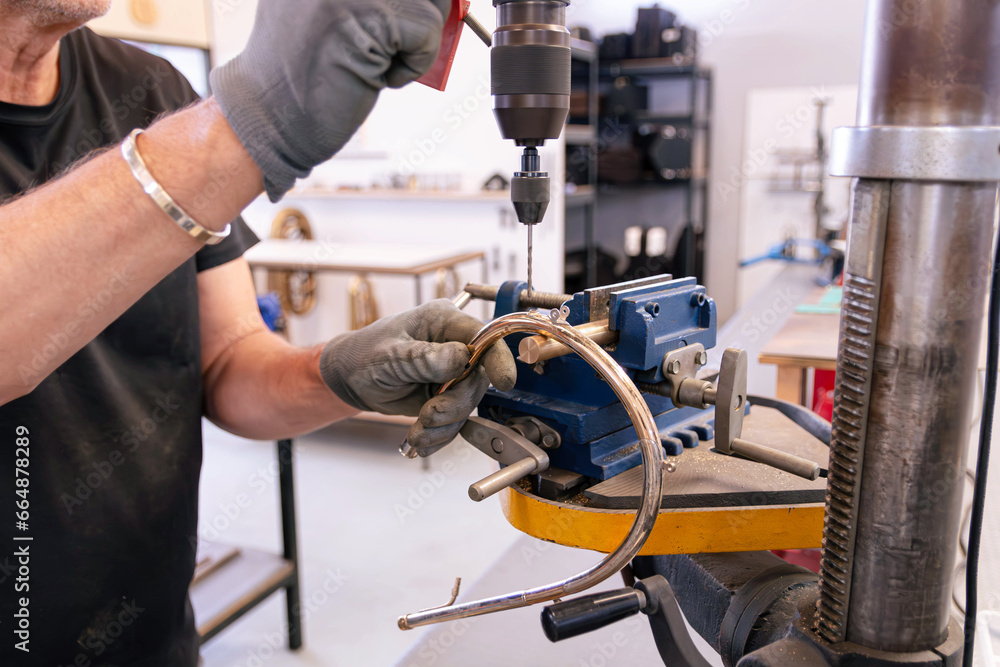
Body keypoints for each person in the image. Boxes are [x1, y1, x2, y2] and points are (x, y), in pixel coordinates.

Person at [0, 0, 516, 663]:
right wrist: (248, 119)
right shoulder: (188, 130)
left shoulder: (151, 93)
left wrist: (338, 370)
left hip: (150, 634)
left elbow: (228, 363)